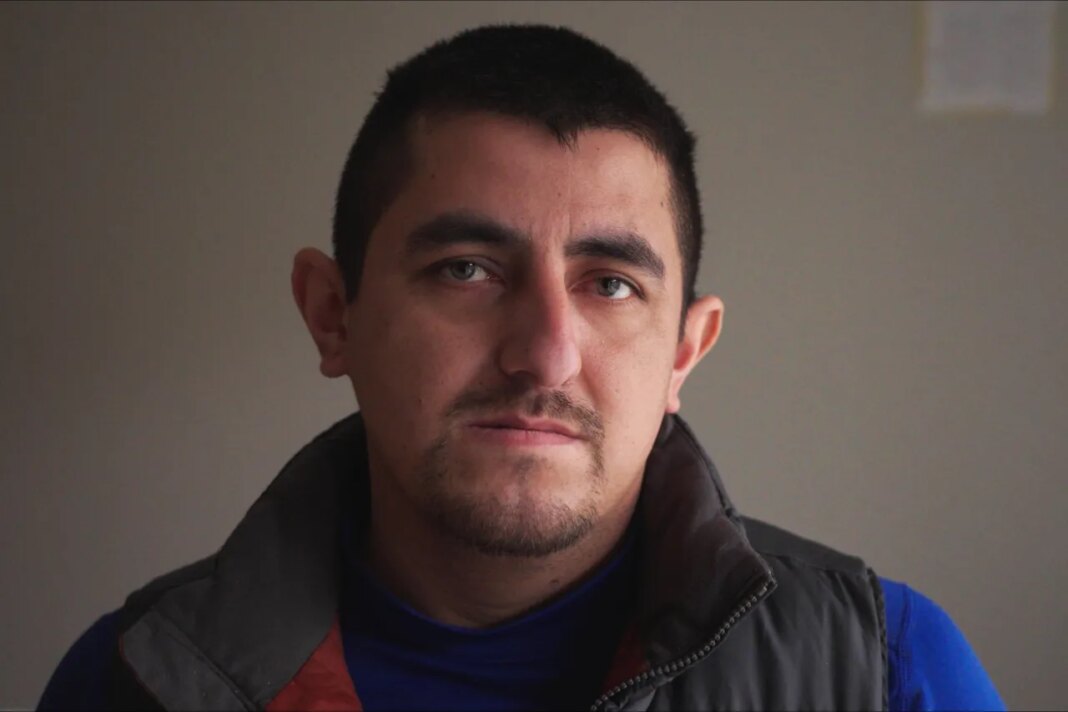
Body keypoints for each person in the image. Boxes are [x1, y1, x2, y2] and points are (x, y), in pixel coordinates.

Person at [39, 24, 1004, 711]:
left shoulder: (882, 672)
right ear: (334, 316)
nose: (544, 352)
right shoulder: (132, 679)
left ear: (684, 351)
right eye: (466, 270)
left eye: (612, 283)